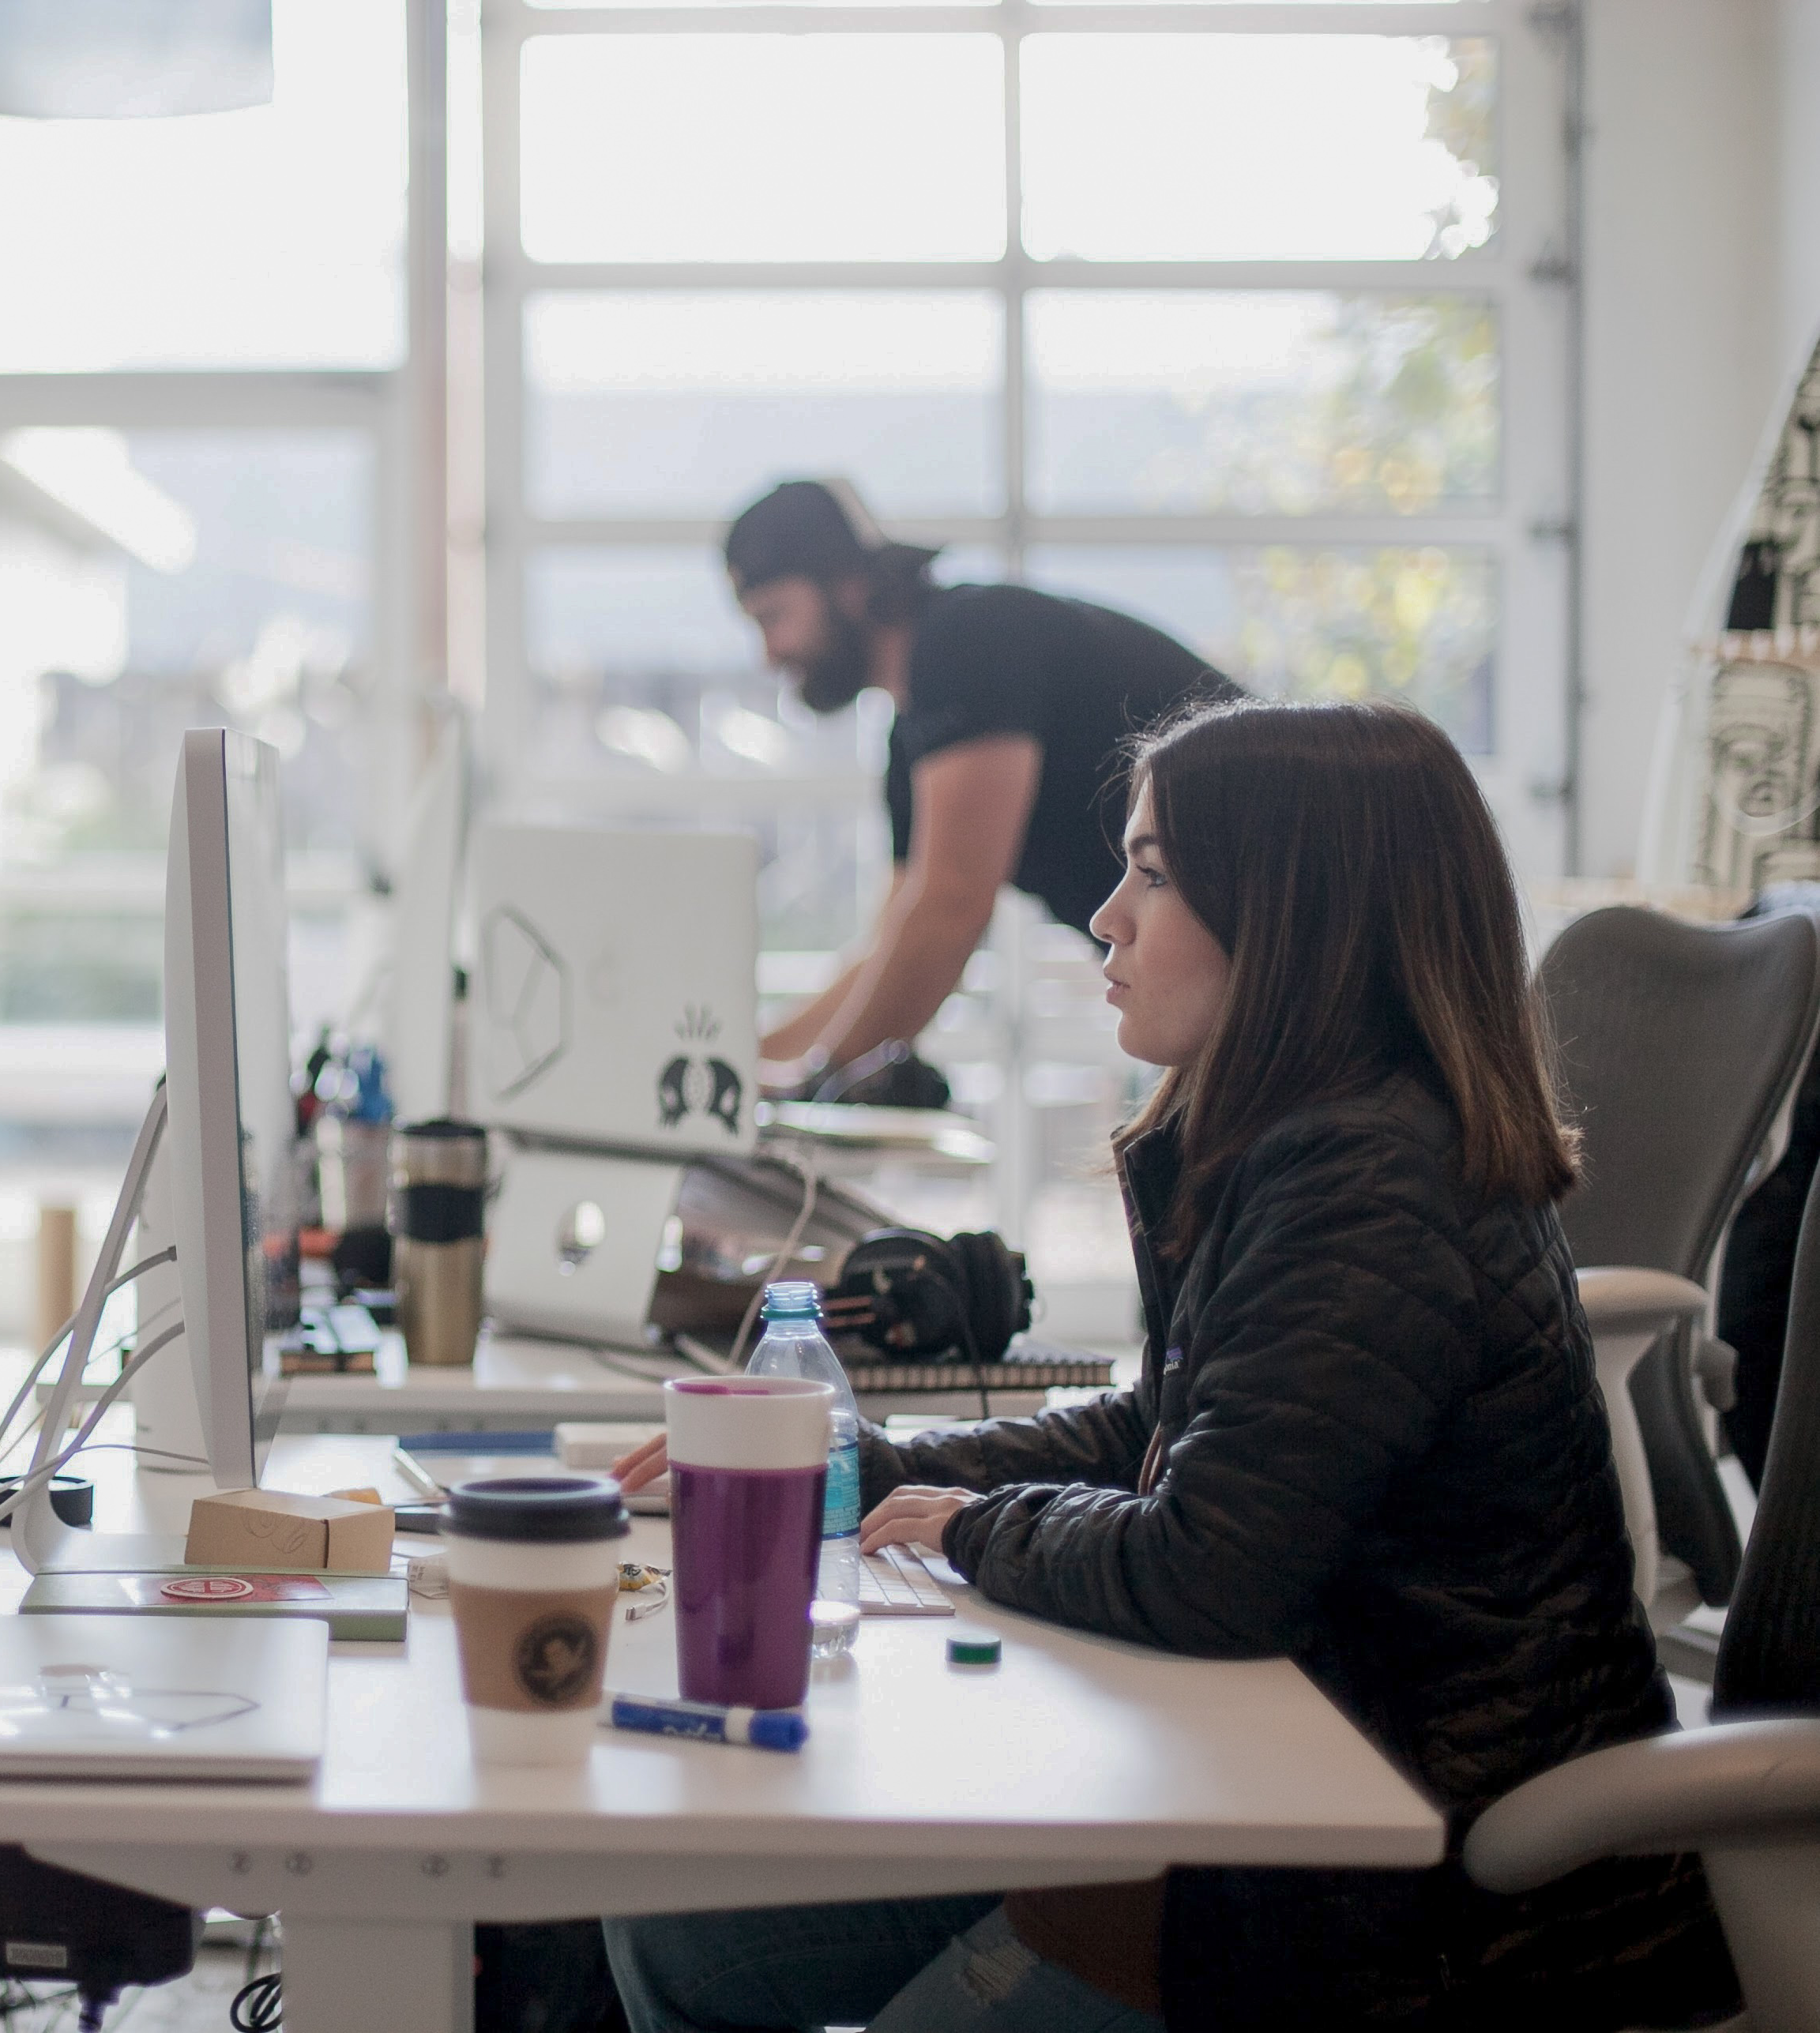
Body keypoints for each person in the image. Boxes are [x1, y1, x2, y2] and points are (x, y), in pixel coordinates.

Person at [603, 698, 1739, 2033]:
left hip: (1405, 1913)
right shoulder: (1316, 1135)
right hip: (1263, 1805)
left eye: (1151, 872)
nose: (1105, 916)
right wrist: (869, 1465)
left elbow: (1210, 1566)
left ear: (1290, 913)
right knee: (669, 1920)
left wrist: (971, 1523)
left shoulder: (1372, 1180)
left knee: (690, 1917)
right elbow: (1168, 1424)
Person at [725, 481, 1237, 1092]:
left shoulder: (965, 642)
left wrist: (815, 1081)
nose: (768, 652)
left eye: (773, 616)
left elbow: (952, 904)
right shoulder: (912, 737)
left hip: (1308, 964)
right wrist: (745, 1070)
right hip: (1239, 993)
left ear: (848, 586)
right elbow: (892, 945)